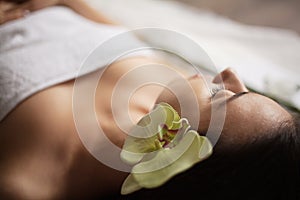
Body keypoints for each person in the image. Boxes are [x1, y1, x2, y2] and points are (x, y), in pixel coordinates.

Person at [0, 0, 299, 199]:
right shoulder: (166, 92)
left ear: (170, 146)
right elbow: (119, 37)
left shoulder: (27, 181)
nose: (230, 74)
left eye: (224, 97)